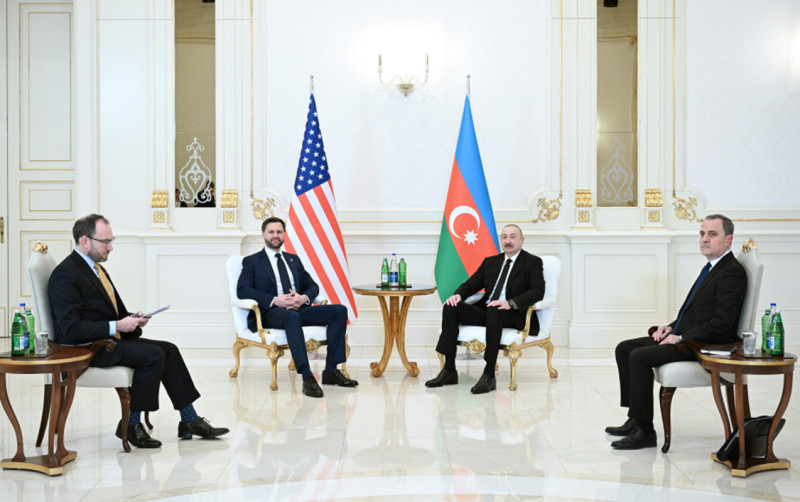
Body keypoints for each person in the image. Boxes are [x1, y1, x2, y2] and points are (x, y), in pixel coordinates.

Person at [48, 214, 229, 449]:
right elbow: (71, 328)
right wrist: (117, 326)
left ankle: (189, 419)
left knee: (169, 349)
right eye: (106, 242)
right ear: (85, 241)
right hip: (86, 348)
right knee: (152, 355)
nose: (111, 247)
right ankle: (131, 425)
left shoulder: (96, 270)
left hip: (105, 340)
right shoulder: (66, 274)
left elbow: (110, 312)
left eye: (111, 241)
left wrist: (132, 319)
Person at [607, 214, 747, 450]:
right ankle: (635, 419)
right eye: (702, 234)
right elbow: (696, 313)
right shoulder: (713, 267)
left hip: (705, 345)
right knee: (624, 349)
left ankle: (645, 432)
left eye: (712, 234)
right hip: (688, 336)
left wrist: (681, 338)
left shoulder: (731, 273)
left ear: (728, 240)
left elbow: (722, 324)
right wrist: (671, 327)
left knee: (639, 357)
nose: (704, 239)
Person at [236, 216, 356, 398]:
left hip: (298, 309)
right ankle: (307, 376)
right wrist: (275, 300)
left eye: (279, 232)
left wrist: (303, 298)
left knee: (339, 310)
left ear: (284, 234)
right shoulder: (252, 261)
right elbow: (243, 290)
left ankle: (331, 371)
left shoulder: (293, 259)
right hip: (271, 312)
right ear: (263, 234)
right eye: (271, 232)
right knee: (292, 317)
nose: (275, 235)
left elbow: (313, 286)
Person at [426, 224, 545, 394]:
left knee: (494, 309)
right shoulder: (491, 262)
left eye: (513, 237)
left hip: (511, 313)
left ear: (522, 240)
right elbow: (470, 284)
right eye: (504, 237)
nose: (508, 241)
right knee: (451, 307)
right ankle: (449, 370)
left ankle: (489, 374)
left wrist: (510, 303)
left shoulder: (532, 262)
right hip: (488, 310)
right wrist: (458, 295)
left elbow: (537, 291)